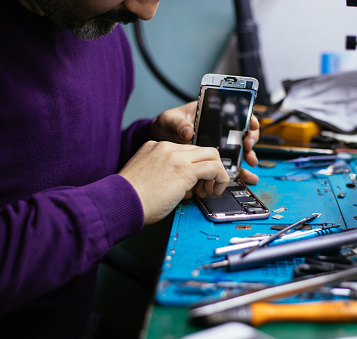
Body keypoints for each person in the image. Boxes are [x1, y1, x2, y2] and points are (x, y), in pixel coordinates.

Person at [0, 0, 260, 337]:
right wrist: (124, 198)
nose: (146, 11)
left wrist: (151, 146)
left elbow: (53, 169)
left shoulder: (102, 30)